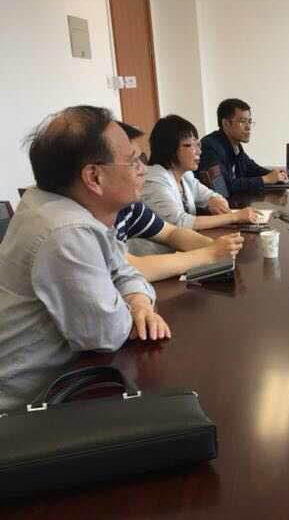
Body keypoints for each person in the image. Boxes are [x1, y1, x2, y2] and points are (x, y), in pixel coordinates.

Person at [0, 106, 170, 410]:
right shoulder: (65, 230)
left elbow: (124, 271)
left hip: (70, 380)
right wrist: (131, 310)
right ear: (94, 177)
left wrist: (139, 303)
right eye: (132, 161)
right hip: (26, 411)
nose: (142, 169)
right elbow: (106, 333)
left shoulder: (71, 208)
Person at [116, 122, 243, 281]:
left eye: (198, 144)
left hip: (167, 268)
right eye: (133, 161)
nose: (143, 169)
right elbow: (131, 268)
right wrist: (210, 252)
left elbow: (171, 233)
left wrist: (215, 245)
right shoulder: (154, 180)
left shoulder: (131, 207)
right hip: (157, 272)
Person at [138, 115, 262, 257]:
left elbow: (209, 195)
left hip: (183, 252)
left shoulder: (185, 175)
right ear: (169, 149)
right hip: (156, 259)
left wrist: (214, 200)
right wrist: (234, 217)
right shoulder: (154, 180)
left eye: (198, 145)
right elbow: (180, 223)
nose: (199, 151)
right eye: (190, 145)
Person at [197, 98, 287, 195]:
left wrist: (275, 174)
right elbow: (222, 186)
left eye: (249, 121)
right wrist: (265, 179)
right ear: (226, 123)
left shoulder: (235, 145)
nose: (248, 127)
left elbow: (251, 168)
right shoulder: (210, 147)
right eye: (243, 121)